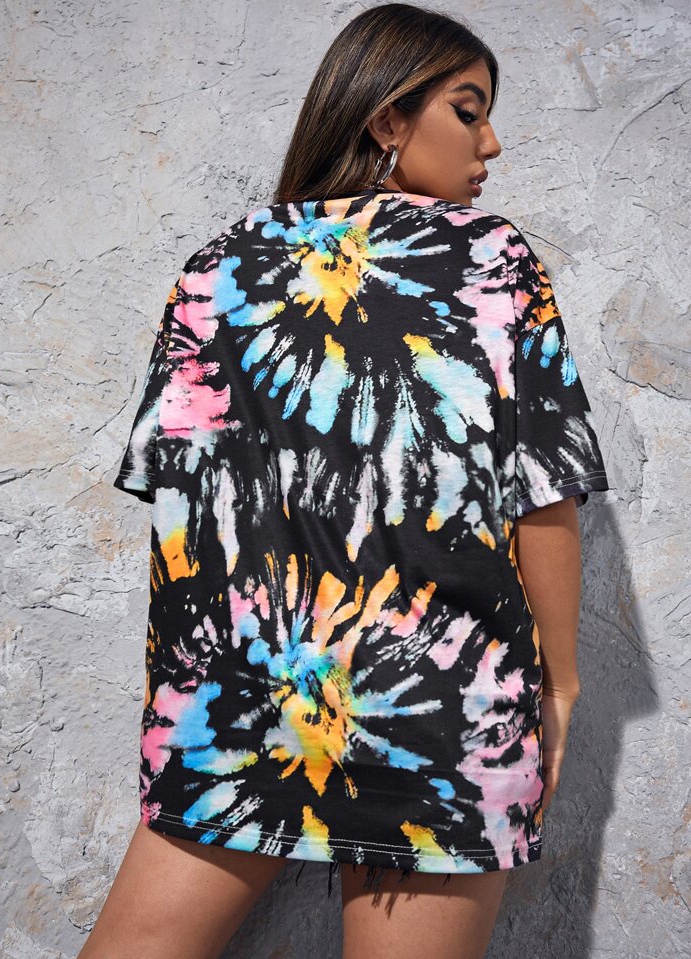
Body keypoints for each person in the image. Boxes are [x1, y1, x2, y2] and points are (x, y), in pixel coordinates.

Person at [80, 4, 610, 958]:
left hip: (240, 695)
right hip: (441, 698)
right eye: (468, 110)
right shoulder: (493, 257)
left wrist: (193, 695)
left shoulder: (215, 267)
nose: (491, 142)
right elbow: (544, 485)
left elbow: (180, 505)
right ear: (385, 118)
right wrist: (561, 681)